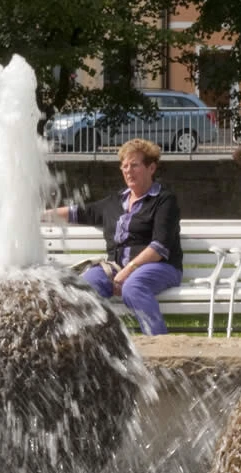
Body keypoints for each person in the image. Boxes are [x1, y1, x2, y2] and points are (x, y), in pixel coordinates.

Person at [46, 139, 183, 335]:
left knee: (134, 287)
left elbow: (159, 247)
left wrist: (128, 271)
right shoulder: (115, 201)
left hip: (160, 266)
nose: (128, 171)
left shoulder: (164, 201)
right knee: (83, 288)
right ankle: (94, 347)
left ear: (151, 168)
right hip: (116, 267)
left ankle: (158, 344)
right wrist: (38, 216)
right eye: (124, 166)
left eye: (134, 165)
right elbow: (80, 212)